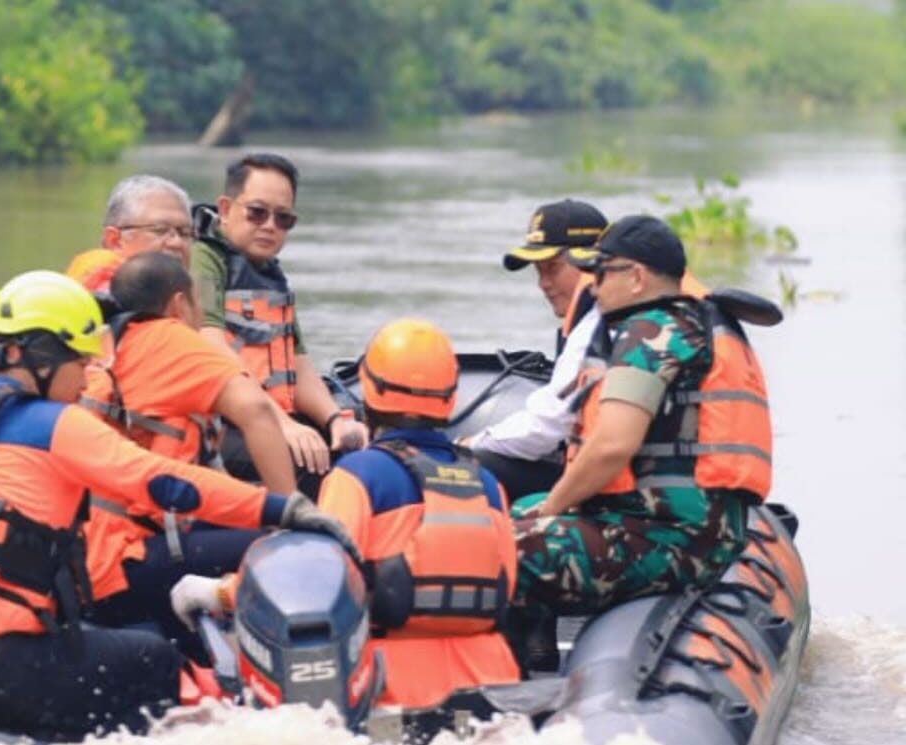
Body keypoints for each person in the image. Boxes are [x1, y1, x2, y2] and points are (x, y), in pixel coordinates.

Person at [0, 270, 356, 742]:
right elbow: (162, 483)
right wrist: (279, 509)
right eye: (80, 363)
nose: (85, 380)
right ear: (41, 357)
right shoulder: (54, 424)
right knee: (156, 661)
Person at [173, 319, 521, 711]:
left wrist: (217, 592)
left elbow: (311, 582)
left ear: (368, 388)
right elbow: (505, 588)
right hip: (492, 680)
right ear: (450, 397)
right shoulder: (489, 484)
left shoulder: (357, 476)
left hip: (389, 684)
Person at [508, 216, 772, 660]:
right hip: (695, 533)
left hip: (671, 540)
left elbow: (613, 446)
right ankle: (535, 653)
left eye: (600, 272)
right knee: (518, 512)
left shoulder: (649, 335)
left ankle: (500, 687)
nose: (591, 285)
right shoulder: (690, 321)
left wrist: (553, 508)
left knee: (499, 547)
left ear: (636, 277)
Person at [79, 251, 297, 657]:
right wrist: (290, 516)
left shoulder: (106, 345)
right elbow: (258, 413)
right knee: (288, 547)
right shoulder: (171, 339)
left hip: (87, 562)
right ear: (180, 303)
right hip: (127, 560)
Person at [190, 153, 368, 493]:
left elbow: (297, 362)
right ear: (226, 209)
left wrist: (335, 419)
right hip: (221, 424)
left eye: (283, 218)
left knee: (363, 447)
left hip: (268, 417)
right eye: (257, 213)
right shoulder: (203, 260)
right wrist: (280, 425)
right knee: (314, 467)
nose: (270, 226)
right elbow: (210, 347)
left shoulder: (271, 273)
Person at [460, 199, 608, 500]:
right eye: (538, 271)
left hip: (611, 492)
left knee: (468, 465)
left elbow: (546, 426)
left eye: (553, 268)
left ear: (590, 263)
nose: (543, 283)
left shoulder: (598, 325)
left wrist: (470, 444)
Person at [67, 174, 195, 292]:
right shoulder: (103, 300)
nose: (177, 242)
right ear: (115, 241)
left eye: (185, 233)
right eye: (160, 230)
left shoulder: (176, 299)